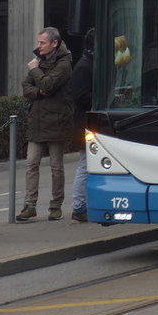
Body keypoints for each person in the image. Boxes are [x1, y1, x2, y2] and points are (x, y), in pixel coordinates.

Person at [18, 27, 74, 221]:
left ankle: (56, 205)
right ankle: (30, 205)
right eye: (39, 42)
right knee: (31, 164)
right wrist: (39, 91)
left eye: (42, 43)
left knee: (56, 166)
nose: (38, 46)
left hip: (57, 121)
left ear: (54, 43)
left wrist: (34, 71)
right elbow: (26, 87)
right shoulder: (39, 60)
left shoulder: (64, 63)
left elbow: (48, 84)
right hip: (38, 120)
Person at [70, 30, 95, 223]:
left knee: (88, 165)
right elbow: (80, 96)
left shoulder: (89, 64)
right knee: (85, 165)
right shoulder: (84, 67)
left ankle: (83, 205)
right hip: (85, 124)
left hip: (90, 123)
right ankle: (78, 207)